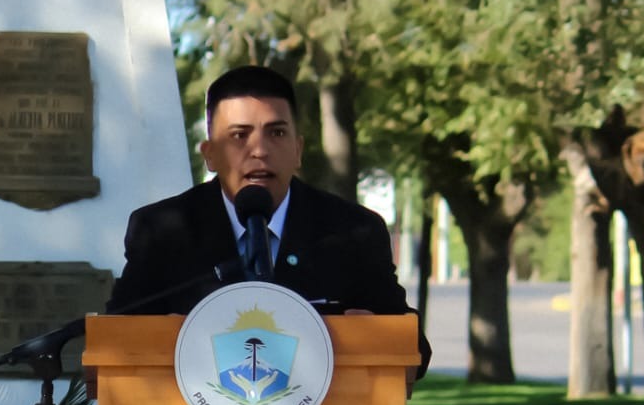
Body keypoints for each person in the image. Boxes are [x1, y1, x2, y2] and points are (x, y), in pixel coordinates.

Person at [107, 65, 431, 379]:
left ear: (298, 150)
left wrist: (372, 332)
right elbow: (114, 342)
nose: (260, 150)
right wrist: (160, 336)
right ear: (210, 154)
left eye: (276, 133)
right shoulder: (162, 229)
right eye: (239, 135)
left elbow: (414, 349)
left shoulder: (353, 231)